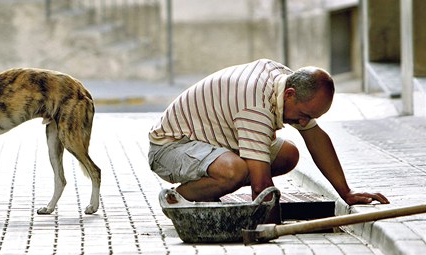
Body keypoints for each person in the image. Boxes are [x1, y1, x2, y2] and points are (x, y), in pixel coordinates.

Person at [148, 59, 389, 206]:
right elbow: (261, 186)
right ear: (290, 95)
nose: (304, 121)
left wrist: (346, 192)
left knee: (288, 154)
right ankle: (179, 199)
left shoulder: (283, 82)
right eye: (304, 115)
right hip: (170, 148)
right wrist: (273, 227)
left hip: (211, 141)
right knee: (235, 171)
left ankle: (211, 187)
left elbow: (316, 137)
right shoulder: (255, 105)